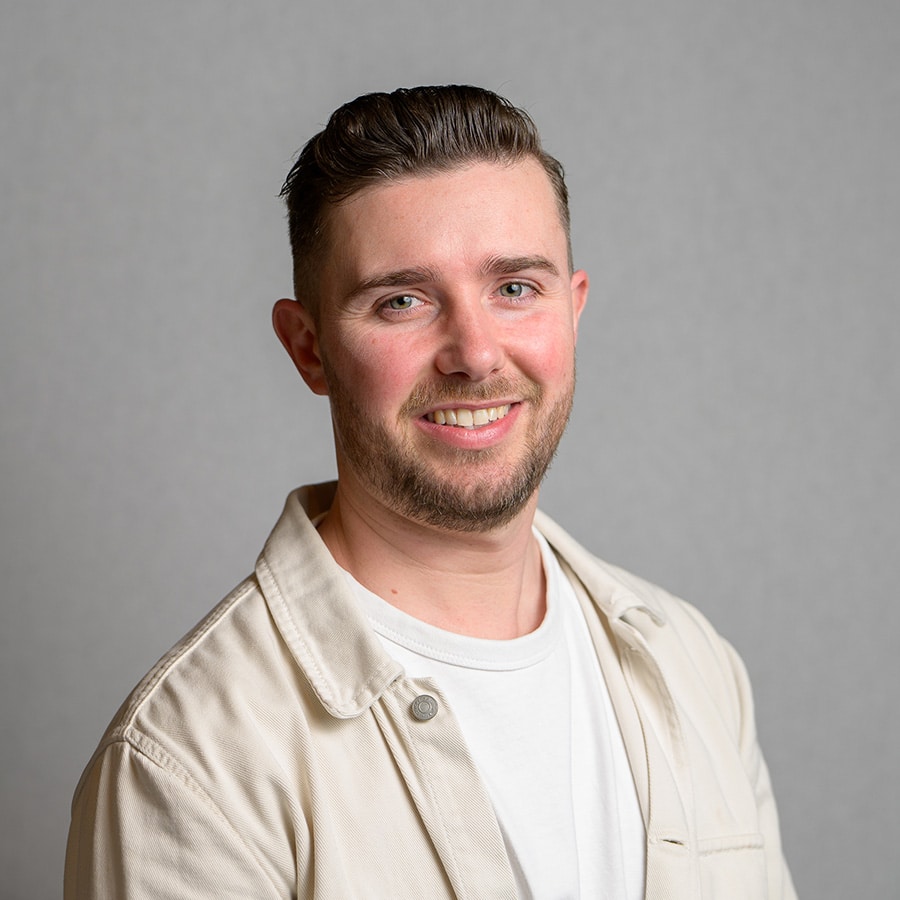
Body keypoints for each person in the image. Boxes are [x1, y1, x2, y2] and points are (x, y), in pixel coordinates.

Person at [65, 85, 796, 899]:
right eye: (403, 301)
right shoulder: (191, 761)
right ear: (308, 349)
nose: (476, 355)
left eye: (515, 287)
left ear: (573, 310)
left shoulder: (693, 666)